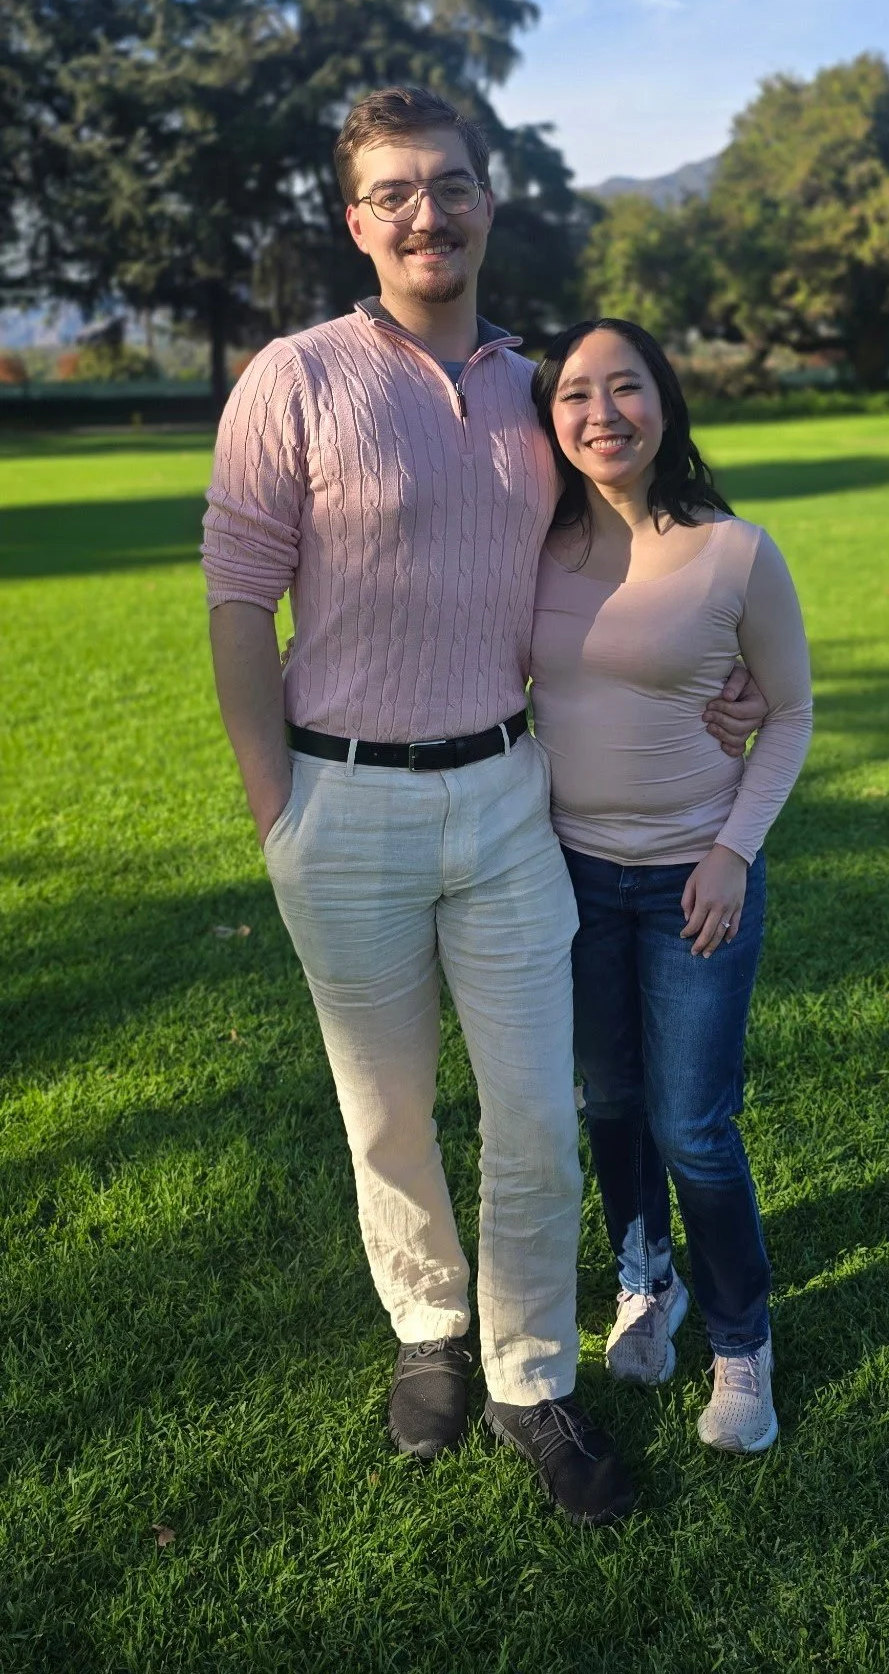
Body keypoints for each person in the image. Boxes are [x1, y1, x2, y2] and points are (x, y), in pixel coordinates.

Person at [201, 86, 764, 1524]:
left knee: (532, 1111)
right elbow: (235, 606)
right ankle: (428, 1334)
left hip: (514, 801)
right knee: (384, 1110)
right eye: (392, 192)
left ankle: (529, 1374)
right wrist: (283, 814)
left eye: (447, 184)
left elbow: (621, 556)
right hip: (344, 802)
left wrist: (715, 691)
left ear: (487, 201)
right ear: (356, 221)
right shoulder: (296, 375)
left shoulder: (535, 385)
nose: (424, 212)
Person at [529, 318, 812, 1454]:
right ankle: (647, 1277)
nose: (601, 412)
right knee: (608, 1104)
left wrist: (732, 848)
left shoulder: (734, 550)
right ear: (548, 419)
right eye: (574, 394)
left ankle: (743, 1343)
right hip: (565, 879)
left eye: (625, 387)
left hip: (696, 879)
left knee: (694, 1123)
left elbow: (786, 710)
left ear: (666, 402)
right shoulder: (530, 545)